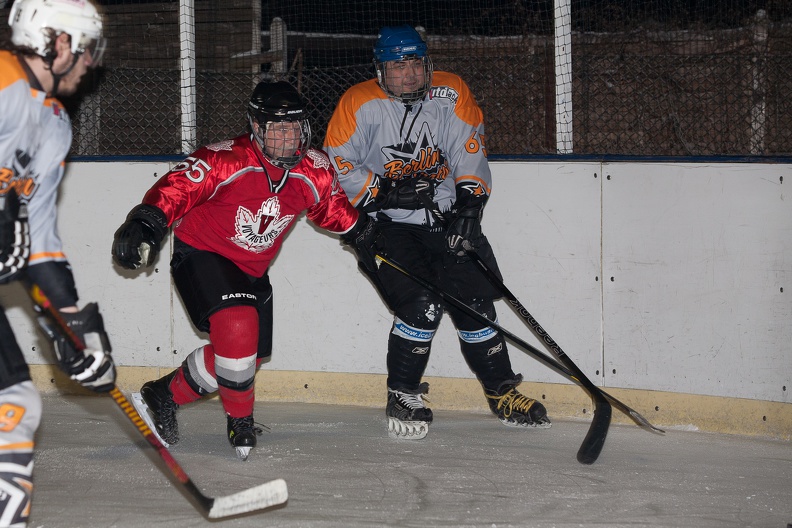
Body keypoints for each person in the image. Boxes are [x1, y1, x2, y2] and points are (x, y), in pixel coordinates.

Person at [111, 80, 378, 461]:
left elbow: (329, 210)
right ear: (256, 127)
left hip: (252, 270)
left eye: (295, 128)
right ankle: (241, 420)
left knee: (240, 360)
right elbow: (177, 188)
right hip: (202, 254)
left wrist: (362, 231)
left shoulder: (314, 169)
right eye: (278, 128)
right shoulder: (225, 159)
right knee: (237, 328)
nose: (288, 139)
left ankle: (161, 395)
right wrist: (146, 223)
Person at [324, 25, 551, 440]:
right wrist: (389, 189)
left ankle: (501, 392)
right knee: (421, 306)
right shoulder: (357, 103)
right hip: (387, 227)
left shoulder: (449, 92)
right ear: (380, 70)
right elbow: (337, 166)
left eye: (415, 63)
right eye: (397, 65)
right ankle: (403, 393)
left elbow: (469, 146)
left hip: (446, 217)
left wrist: (469, 206)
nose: (408, 73)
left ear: (426, 64)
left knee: (476, 304)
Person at [0, 0, 115, 525]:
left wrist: (70, 326)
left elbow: (39, 240)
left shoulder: (52, 124)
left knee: (16, 408)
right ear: (59, 42)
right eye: (86, 47)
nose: (91, 62)